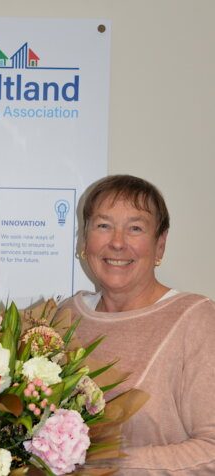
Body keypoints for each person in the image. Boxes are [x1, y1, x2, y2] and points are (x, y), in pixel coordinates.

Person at [56, 174, 215, 474]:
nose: (117, 242)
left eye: (135, 228)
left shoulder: (195, 319)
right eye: (103, 225)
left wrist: (108, 465)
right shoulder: (65, 318)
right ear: (84, 239)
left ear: (160, 245)